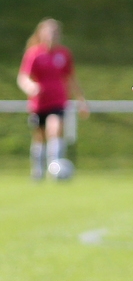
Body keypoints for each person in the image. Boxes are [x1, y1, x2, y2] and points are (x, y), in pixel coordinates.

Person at [17, 18, 87, 180]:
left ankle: (55, 167)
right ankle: (38, 171)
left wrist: (81, 100)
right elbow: (23, 77)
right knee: (40, 136)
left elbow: (71, 78)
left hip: (58, 101)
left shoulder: (64, 54)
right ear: (41, 34)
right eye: (50, 32)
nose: (53, 36)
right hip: (39, 103)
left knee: (54, 129)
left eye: (56, 33)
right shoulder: (34, 54)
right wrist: (31, 87)